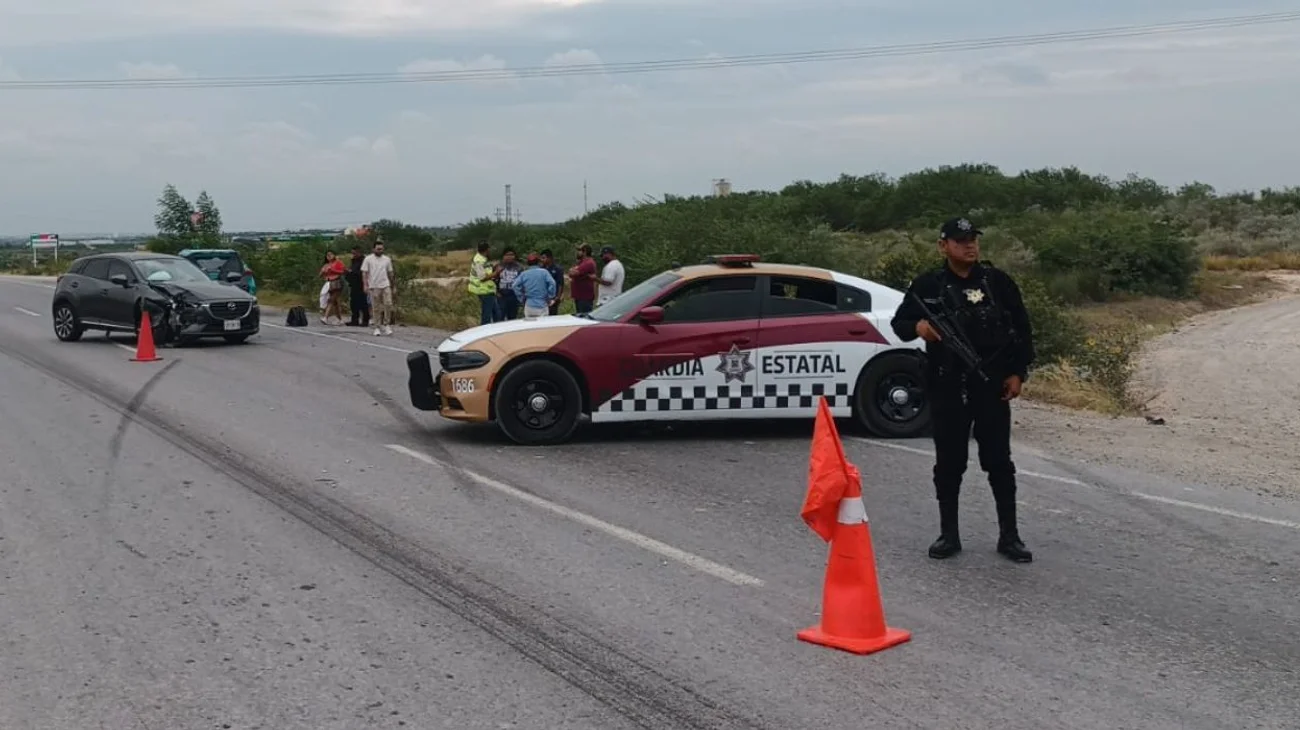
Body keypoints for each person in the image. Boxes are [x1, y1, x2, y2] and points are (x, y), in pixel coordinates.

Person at [889, 217, 1036, 564]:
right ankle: (949, 535)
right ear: (943, 246)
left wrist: (1018, 373)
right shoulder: (928, 285)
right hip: (948, 385)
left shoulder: (997, 282)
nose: (970, 245)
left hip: (992, 384)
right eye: (960, 240)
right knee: (950, 463)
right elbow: (900, 324)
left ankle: (1010, 536)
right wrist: (919, 327)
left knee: (998, 461)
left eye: (973, 239)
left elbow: (1022, 329)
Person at [361, 239, 396, 336]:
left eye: (381, 249)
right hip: (374, 285)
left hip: (385, 284)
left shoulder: (387, 259)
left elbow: (390, 273)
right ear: (373, 249)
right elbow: (364, 273)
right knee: (376, 307)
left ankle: (386, 324)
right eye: (378, 249)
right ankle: (377, 326)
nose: (380, 251)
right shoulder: (368, 259)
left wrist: (393, 286)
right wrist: (365, 285)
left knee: (388, 303)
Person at [512, 254, 558, 320]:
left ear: (527, 263)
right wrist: (550, 296)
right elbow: (552, 283)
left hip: (529, 305)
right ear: (538, 262)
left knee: (530, 325)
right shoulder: (544, 272)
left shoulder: (524, 274)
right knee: (543, 325)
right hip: (542, 304)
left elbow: (515, 286)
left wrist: (521, 298)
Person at [468, 241, 498, 325]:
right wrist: (496, 273)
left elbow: (486, 271)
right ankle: (484, 330)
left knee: (496, 313)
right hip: (484, 290)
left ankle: (496, 329)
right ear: (487, 249)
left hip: (488, 290)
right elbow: (482, 277)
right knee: (487, 315)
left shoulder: (482, 258)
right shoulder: (479, 260)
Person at [567, 244, 597, 314]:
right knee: (579, 315)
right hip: (580, 296)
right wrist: (572, 270)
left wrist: (572, 270)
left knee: (584, 316)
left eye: (579, 250)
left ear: (585, 252)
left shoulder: (588, 263)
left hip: (584, 297)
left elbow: (573, 273)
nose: (577, 252)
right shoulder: (582, 262)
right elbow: (571, 272)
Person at [494, 248, 523, 321]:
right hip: (501, 296)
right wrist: (496, 292)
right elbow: (493, 281)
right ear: (503, 256)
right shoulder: (498, 266)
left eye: (512, 255)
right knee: (500, 317)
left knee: (512, 318)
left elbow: (522, 282)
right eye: (507, 255)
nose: (509, 257)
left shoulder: (519, 267)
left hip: (514, 296)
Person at [345, 245, 370, 327]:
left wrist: (352, 272)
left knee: (363, 303)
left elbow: (362, 272)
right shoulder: (354, 261)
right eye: (352, 253)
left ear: (359, 252)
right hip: (354, 284)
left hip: (361, 284)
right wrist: (348, 273)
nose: (353, 255)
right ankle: (354, 320)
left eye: (354, 253)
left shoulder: (364, 261)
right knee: (353, 303)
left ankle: (365, 320)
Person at [319, 250, 346, 325]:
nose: (329, 256)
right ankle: (340, 319)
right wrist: (323, 272)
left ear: (334, 255)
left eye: (331, 254)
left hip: (337, 282)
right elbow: (320, 275)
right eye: (327, 255)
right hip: (329, 283)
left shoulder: (338, 262)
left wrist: (333, 270)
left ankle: (326, 317)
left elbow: (343, 271)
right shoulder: (326, 265)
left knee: (331, 300)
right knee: (335, 302)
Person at [539, 249, 565, 315]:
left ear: (549, 258)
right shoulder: (541, 269)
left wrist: (558, 297)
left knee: (552, 315)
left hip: (553, 297)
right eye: (541, 258)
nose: (542, 260)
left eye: (543, 258)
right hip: (543, 297)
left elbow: (560, 284)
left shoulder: (557, 269)